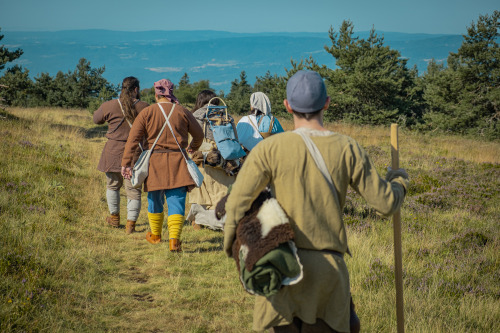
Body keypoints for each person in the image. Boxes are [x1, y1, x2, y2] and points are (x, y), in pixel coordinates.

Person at [223, 70, 409, 332]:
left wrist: (238, 256)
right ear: (326, 103)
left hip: (281, 266)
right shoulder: (348, 148)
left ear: (287, 106)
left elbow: (236, 204)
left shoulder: (268, 149)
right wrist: (399, 181)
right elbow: (386, 204)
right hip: (328, 273)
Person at [121, 79, 204, 252]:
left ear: (156, 94)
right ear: (171, 92)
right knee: (177, 201)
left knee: (154, 199)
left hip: (155, 162)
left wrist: (126, 163)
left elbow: (133, 140)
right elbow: (199, 135)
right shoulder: (183, 111)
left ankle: (156, 235)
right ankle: (174, 241)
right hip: (178, 161)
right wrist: (192, 148)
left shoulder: (147, 112)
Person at [93, 76, 149, 234]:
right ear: (136, 90)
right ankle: (130, 225)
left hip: (113, 152)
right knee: (133, 189)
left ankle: (115, 218)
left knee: (112, 186)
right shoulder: (145, 107)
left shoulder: (109, 105)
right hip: (135, 153)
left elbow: (96, 120)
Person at [187, 90, 236, 231]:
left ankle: (198, 220)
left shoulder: (195, 116)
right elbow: (235, 138)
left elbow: (191, 138)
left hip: (203, 156)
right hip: (224, 157)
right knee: (223, 190)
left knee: (203, 192)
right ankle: (223, 219)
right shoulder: (227, 116)